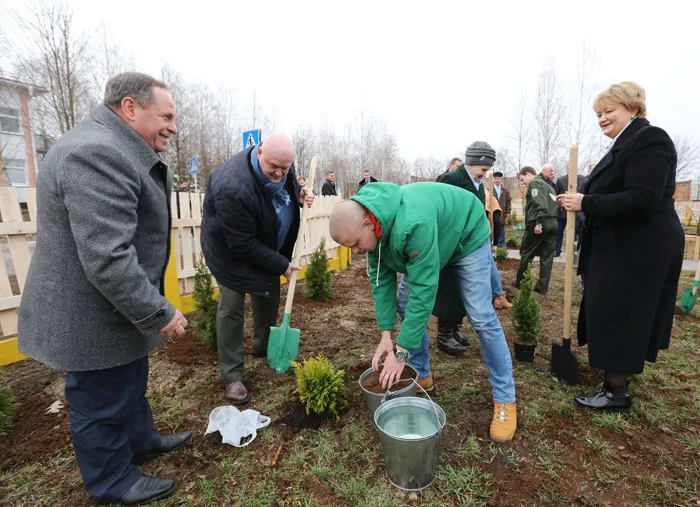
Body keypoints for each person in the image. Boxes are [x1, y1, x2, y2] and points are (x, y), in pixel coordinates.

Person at [18, 72, 190, 506]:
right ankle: (113, 480)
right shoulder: (98, 152)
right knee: (99, 398)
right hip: (89, 313)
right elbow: (108, 258)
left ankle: (139, 440)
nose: (173, 125)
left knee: (128, 379)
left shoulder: (115, 145)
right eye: (166, 115)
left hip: (111, 310)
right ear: (130, 108)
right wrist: (160, 313)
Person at [329, 182, 517, 442]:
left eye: (357, 245)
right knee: (404, 305)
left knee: (481, 316)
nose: (357, 251)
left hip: (466, 232)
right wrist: (386, 335)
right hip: (432, 237)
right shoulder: (374, 228)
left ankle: (506, 399)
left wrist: (401, 351)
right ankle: (422, 374)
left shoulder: (413, 224)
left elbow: (423, 291)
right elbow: (381, 283)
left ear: (367, 224)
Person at [558, 81, 684, 411]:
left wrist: (586, 202)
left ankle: (616, 392)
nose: (601, 118)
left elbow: (642, 196)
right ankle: (617, 376)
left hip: (639, 247)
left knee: (623, 310)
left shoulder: (649, 139)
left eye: (608, 111)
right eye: (599, 113)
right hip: (623, 243)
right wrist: (583, 202)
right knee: (614, 308)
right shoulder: (623, 143)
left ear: (633, 107)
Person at [201, 134, 314, 405]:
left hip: (265, 245)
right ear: (259, 152)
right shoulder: (233, 186)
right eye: (274, 166)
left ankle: (264, 347)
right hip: (231, 253)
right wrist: (282, 264)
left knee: (268, 293)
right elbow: (241, 244)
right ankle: (232, 375)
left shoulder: (283, 165)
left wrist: (298, 194)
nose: (279, 173)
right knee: (232, 308)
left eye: (285, 169)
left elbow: (285, 184)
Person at [439, 142, 512, 310]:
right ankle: (446, 333)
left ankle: (495, 296)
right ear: (471, 163)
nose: (485, 175)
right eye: (483, 170)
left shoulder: (478, 184)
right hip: (458, 243)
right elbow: (445, 212)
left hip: (475, 240)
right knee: (451, 288)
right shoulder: (451, 180)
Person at [515, 166, 559, 294]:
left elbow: (541, 205)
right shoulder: (548, 186)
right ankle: (542, 287)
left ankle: (520, 282)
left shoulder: (535, 183)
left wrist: (539, 223)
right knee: (547, 256)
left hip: (539, 222)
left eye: (522, 179)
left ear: (528, 174)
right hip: (553, 223)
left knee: (527, 253)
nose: (523, 183)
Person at [554, 171, 586, 256]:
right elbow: (556, 194)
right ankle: (557, 250)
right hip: (562, 212)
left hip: (576, 212)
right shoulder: (560, 180)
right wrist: (560, 202)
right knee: (559, 231)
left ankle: (575, 252)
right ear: (567, 170)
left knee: (576, 233)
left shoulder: (583, 178)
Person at [493, 171, 512, 247]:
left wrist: (508, 211)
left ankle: (502, 246)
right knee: (493, 229)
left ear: (501, 179)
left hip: (502, 214)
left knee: (501, 230)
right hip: (493, 213)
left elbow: (508, 202)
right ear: (493, 179)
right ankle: (494, 245)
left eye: (498, 178)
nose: (497, 180)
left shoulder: (505, 191)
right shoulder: (489, 190)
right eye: (496, 178)